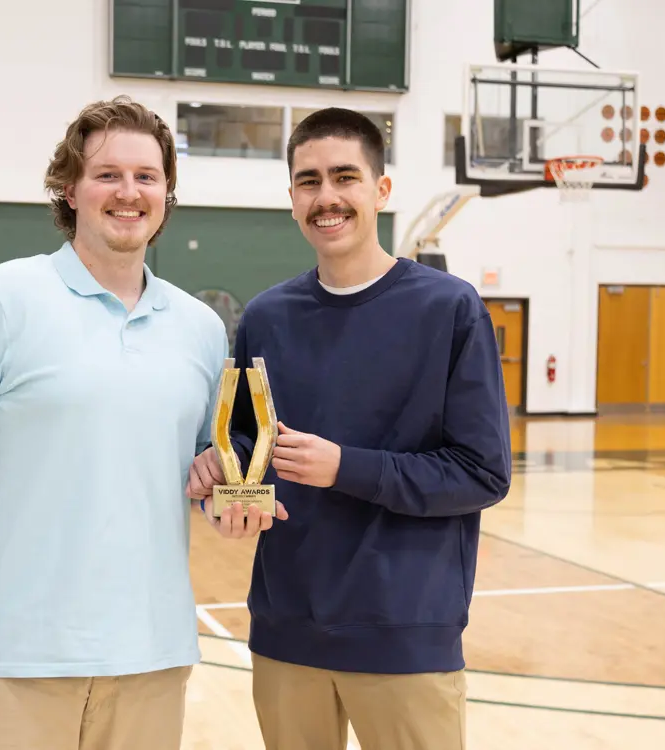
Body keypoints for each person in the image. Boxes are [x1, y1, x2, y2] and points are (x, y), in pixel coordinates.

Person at [0, 95, 232, 750]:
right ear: (69, 189)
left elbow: (205, 475)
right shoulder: (1, 298)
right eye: (107, 174)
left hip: (153, 655)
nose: (129, 192)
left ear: (167, 193)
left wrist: (229, 496)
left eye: (147, 176)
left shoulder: (201, 329)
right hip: (11, 657)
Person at [187, 107, 512, 750]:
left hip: (405, 635)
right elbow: (250, 448)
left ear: (381, 190)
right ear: (291, 198)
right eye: (309, 181)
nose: (326, 197)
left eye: (345, 177)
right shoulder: (268, 317)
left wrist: (346, 467)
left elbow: (482, 473)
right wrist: (222, 478)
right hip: (286, 632)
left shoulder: (449, 308)